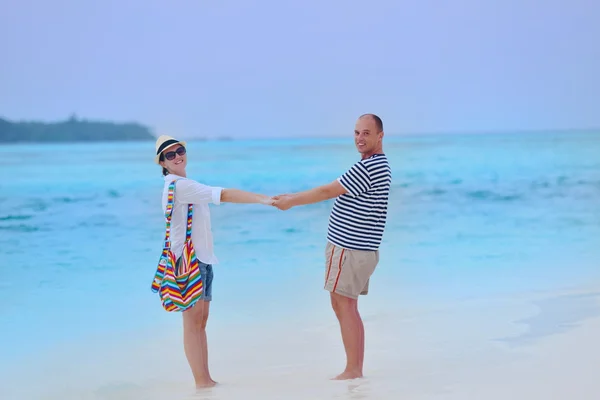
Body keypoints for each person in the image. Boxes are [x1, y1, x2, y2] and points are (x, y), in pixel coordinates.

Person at [272, 114, 391, 380]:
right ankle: (354, 368)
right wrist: (292, 197)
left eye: (366, 133)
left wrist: (292, 201)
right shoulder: (378, 165)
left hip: (350, 249)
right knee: (346, 305)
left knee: (343, 305)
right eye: (357, 132)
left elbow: (328, 191)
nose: (360, 138)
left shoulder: (368, 167)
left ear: (380, 136)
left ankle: (353, 370)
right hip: (361, 249)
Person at [154, 135, 273, 389]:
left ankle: (206, 379)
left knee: (201, 321)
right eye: (170, 155)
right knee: (192, 322)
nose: (177, 156)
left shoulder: (184, 184)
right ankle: (201, 382)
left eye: (180, 150)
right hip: (188, 263)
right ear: (162, 163)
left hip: (203, 260)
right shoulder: (179, 185)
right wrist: (262, 199)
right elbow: (222, 194)